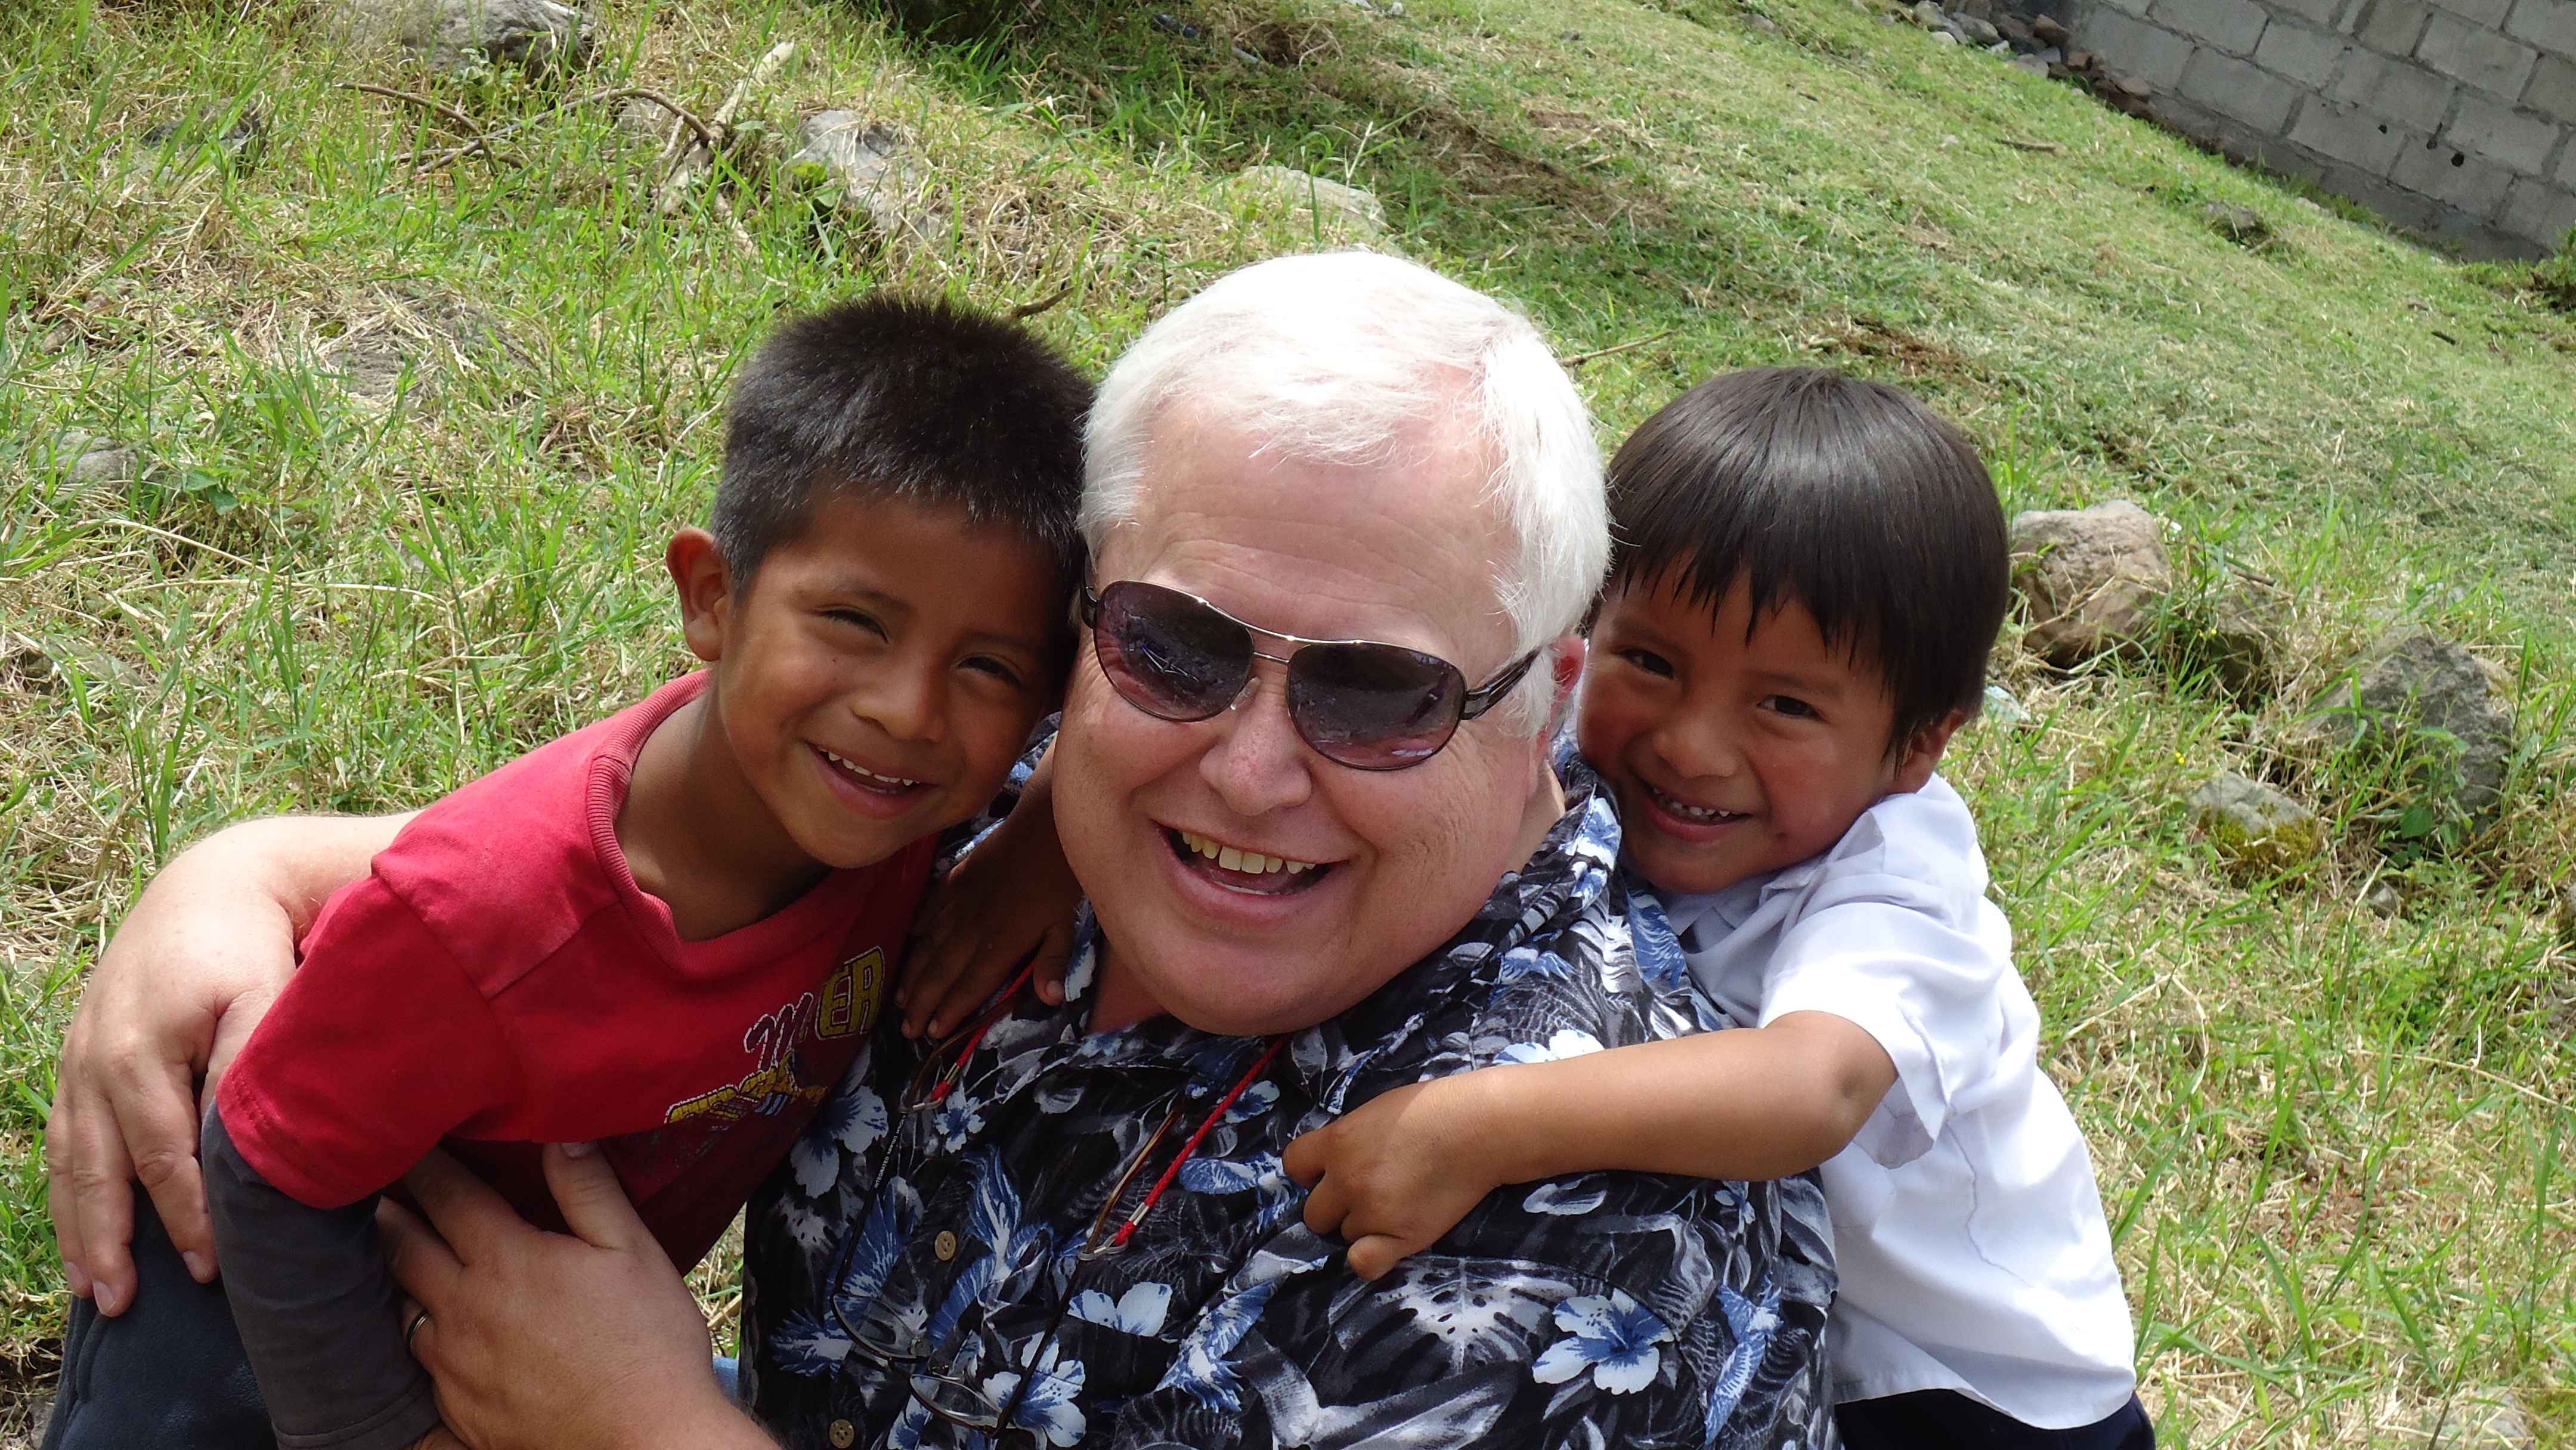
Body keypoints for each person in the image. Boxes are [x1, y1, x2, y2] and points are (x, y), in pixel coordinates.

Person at [45, 253, 1840, 1450]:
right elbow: (580, 877)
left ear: (1549, 701)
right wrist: (237, 876)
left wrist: (656, 1431)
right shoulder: (1001, 781)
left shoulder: (1589, 1252)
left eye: (1378, 693)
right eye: (1175, 644)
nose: (1246, 770)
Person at [912, 368, 2150, 1450]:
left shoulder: (1900, 879)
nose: (1688, 743)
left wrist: (1479, 1124)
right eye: (1650, 662)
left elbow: (1808, 1093)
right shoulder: (1562, 712)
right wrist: (1047, 838)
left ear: (1921, 743)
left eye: (1784, 707)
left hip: (1977, 1395)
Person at [39, 296, 1092, 1450]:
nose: (909, 710)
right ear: (713, 598)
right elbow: (261, 1166)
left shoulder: (897, 817)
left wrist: (1046, 835)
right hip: (238, 1315)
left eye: (988, 668)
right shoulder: (491, 913)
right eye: (854, 621)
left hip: (509, 1346)